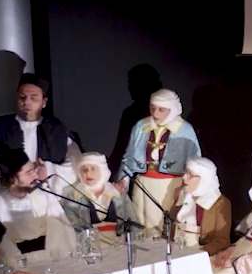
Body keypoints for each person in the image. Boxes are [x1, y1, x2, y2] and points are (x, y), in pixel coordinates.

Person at [0, 74, 83, 211]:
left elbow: (76, 166)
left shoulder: (58, 131)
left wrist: (49, 170)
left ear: (44, 102)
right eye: (22, 97)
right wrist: (12, 176)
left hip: (47, 204)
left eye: (33, 98)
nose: (27, 102)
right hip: (9, 205)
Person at [117, 88, 201, 234]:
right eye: (153, 108)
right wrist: (123, 179)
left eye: (161, 110)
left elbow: (195, 162)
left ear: (172, 109)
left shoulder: (185, 130)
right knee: (142, 224)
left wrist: (188, 188)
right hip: (143, 184)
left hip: (170, 185)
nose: (155, 113)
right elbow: (129, 156)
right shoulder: (141, 126)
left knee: (165, 225)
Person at [0, 148, 72, 263]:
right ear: (12, 178)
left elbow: (62, 231)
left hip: (52, 259)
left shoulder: (45, 196)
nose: (35, 175)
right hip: (18, 265)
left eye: (34, 169)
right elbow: (3, 251)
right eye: (29, 172)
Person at [57, 151, 132, 234]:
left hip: (118, 241)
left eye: (93, 169)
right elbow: (70, 227)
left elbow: (132, 223)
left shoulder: (117, 192)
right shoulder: (72, 195)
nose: (88, 173)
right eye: (84, 170)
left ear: (102, 170)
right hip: (87, 240)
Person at [173, 156, 231, 258]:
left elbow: (222, 241)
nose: (184, 177)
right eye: (185, 172)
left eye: (190, 175)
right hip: (177, 251)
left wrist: (198, 254)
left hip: (201, 255)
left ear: (204, 179)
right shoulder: (182, 194)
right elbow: (170, 226)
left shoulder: (221, 203)